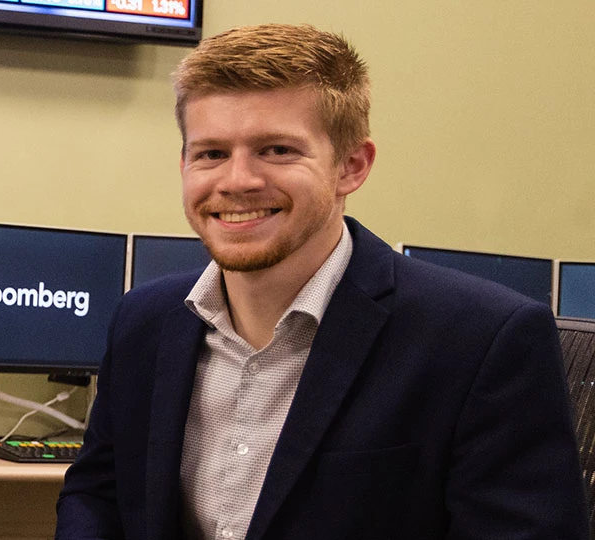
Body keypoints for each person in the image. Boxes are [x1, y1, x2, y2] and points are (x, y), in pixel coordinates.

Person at [56, 23, 588, 539]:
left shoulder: (482, 339)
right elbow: (99, 496)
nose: (238, 180)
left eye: (277, 150)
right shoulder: (142, 321)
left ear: (351, 166)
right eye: (211, 154)